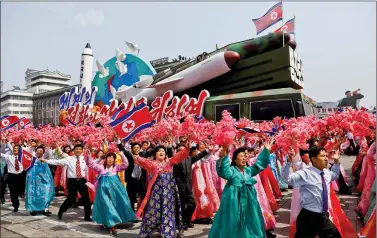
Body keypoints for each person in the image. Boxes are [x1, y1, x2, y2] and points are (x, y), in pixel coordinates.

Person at [208, 139, 274, 238]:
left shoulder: (248, 170)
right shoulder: (232, 171)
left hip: (249, 203)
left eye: (245, 156)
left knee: (250, 221)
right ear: (234, 160)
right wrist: (224, 156)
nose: (244, 158)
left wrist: (266, 151)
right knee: (233, 222)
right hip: (233, 203)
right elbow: (223, 171)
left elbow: (259, 165)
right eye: (241, 156)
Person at [282, 146, 341, 238]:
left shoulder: (327, 173)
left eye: (326, 156)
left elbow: (336, 175)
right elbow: (287, 178)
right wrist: (289, 162)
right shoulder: (305, 173)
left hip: (323, 216)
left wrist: (336, 162)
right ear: (313, 159)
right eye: (322, 156)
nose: (326, 159)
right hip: (309, 217)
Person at [134, 144, 190, 238]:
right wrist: (137, 157)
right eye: (159, 151)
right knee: (153, 211)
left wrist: (187, 148)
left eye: (163, 151)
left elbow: (180, 156)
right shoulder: (152, 163)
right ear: (155, 154)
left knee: (168, 211)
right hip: (156, 194)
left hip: (168, 194)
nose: (161, 152)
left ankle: (168, 231)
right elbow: (143, 161)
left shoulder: (169, 161)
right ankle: (149, 230)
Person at [85, 150, 136, 237]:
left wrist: (122, 154)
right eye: (109, 157)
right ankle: (112, 226)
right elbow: (90, 164)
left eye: (113, 158)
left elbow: (125, 165)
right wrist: (89, 154)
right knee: (107, 206)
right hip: (103, 192)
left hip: (115, 191)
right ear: (105, 159)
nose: (111, 159)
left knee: (117, 205)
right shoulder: (101, 168)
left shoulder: (116, 167)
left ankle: (115, 221)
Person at [40, 144, 92, 221]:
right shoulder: (69, 159)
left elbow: (93, 163)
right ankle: (61, 210)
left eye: (80, 149)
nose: (78, 150)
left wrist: (98, 157)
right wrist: (46, 160)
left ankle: (87, 216)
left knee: (86, 199)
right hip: (72, 181)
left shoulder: (84, 158)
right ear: (74, 150)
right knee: (71, 199)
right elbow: (57, 162)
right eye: (76, 149)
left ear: (82, 150)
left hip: (82, 181)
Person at [173, 144, 209, 229]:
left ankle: (186, 220)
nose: (182, 152)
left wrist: (207, 150)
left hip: (188, 187)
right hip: (179, 187)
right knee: (180, 206)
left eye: (184, 151)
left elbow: (199, 156)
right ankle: (180, 223)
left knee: (192, 204)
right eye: (180, 151)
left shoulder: (189, 159)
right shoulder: (175, 160)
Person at [25, 145, 55, 216]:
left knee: (46, 193)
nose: (39, 152)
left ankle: (46, 209)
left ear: (43, 153)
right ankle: (32, 209)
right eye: (38, 150)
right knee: (32, 194)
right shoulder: (31, 159)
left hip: (44, 180)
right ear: (35, 151)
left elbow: (47, 172)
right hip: (32, 181)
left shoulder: (45, 160)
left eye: (41, 151)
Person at [0, 144, 23, 212]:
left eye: (17, 148)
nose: (16, 149)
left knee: (18, 191)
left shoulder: (22, 157)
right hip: (12, 176)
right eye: (14, 148)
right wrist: (4, 143)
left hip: (20, 176)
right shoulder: (9, 157)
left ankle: (16, 200)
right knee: (13, 192)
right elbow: (1, 154)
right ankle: (15, 204)